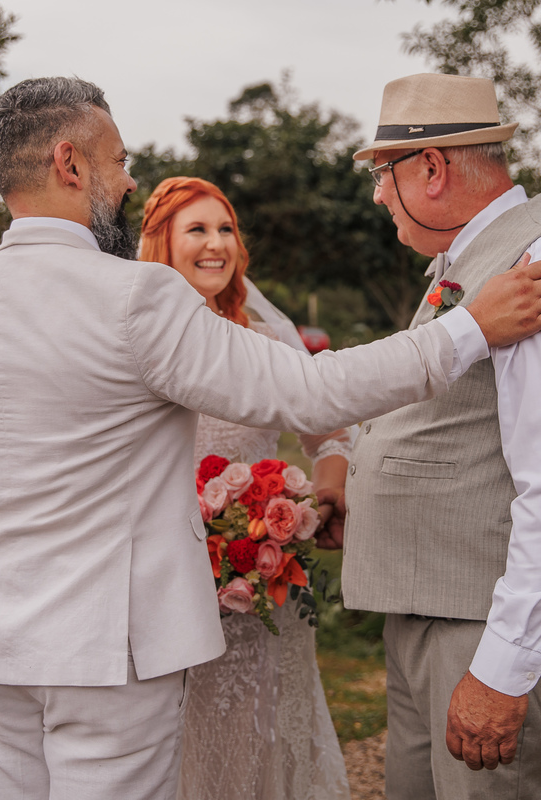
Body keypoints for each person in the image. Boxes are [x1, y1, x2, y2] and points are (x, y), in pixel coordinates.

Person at [0, 75, 541, 800]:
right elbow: (313, 390)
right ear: (69, 164)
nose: (129, 180)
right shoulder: (135, 297)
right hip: (113, 653)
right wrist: (470, 327)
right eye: (117, 161)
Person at [341, 73, 541, 800]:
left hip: (487, 623)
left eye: (383, 173)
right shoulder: (478, 253)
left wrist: (505, 668)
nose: (378, 194)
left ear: (431, 168)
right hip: (439, 610)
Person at [140, 176, 351, 800]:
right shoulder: (140, 346)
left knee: (255, 729)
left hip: (259, 581)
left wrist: (321, 497)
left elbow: (331, 433)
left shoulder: (263, 342)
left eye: (225, 229)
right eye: (197, 230)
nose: (216, 244)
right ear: (161, 244)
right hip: (160, 580)